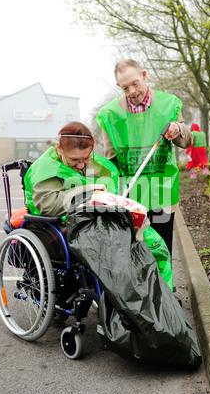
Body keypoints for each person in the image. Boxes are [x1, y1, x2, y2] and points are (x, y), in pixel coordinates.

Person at [23, 120, 174, 291]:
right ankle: (133, 304)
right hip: (70, 226)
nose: (81, 165)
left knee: (154, 244)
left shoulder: (99, 164)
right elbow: (49, 205)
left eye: (86, 158)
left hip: (101, 219)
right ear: (59, 148)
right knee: (122, 251)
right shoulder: (44, 168)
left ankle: (163, 299)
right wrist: (89, 191)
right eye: (74, 160)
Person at [96, 58, 193, 257]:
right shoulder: (110, 115)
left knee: (162, 249)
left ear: (144, 75)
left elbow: (186, 141)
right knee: (135, 252)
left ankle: (165, 288)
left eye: (135, 83)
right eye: (125, 88)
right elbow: (111, 159)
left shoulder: (168, 104)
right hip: (130, 195)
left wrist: (177, 128)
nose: (132, 91)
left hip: (161, 191)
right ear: (118, 87)